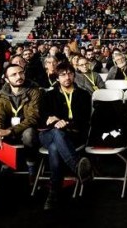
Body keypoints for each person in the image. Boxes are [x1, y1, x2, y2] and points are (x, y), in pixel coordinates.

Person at [39, 62, 93, 210]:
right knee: (56, 133)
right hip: (47, 133)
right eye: (62, 74)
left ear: (74, 75)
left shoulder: (83, 95)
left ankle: (54, 191)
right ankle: (77, 167)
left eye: (70, 73)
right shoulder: (48, 95)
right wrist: (53, 122)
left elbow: (84, 119)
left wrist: (65, 123)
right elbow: (43, 118)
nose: (67, 77)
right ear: (57, 77)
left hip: (73, 134)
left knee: (55, 147)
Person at [0, 64, 41, 181]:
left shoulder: (34, 91)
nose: (19, 76)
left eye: (21, 73)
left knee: (29, 134)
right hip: (8, 127)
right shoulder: (2, 93)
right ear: (6, 79)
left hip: (26, 127)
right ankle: (5, 162)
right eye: (14, 74)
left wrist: (8, 131)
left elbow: (32, 118)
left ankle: (31, 164)